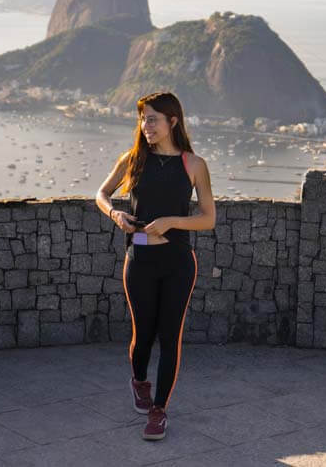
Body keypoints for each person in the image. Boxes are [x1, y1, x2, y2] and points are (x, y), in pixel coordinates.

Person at [96, 91, 216, 440]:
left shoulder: (194, 165)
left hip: (179, 263)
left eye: (152, 119)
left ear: (172, 122)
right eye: (142, 119)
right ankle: (139, 381)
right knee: (143, 335)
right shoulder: (133, 159)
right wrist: (115, 212)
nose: (145, 126)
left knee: (170, 337)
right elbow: (100, 195)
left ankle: (159, 410)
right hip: (141, 260)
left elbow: (208, 219)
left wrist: (171, 222)